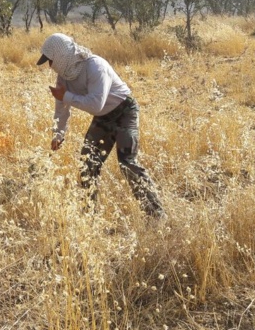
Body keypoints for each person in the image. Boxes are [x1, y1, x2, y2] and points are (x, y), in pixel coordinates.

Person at [37, 33, 165, 219]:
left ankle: (156, 216)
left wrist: (65, 96)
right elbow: (61, 110)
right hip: (102, 117)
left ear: (62, 55)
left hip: (124, 111)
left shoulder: (95, 66)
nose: (50, 66)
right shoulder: (63, 77)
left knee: (127, 163)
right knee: (88, 164)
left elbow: (95, 103)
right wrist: (58, 134)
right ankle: (90, 217)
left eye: (51, 60)